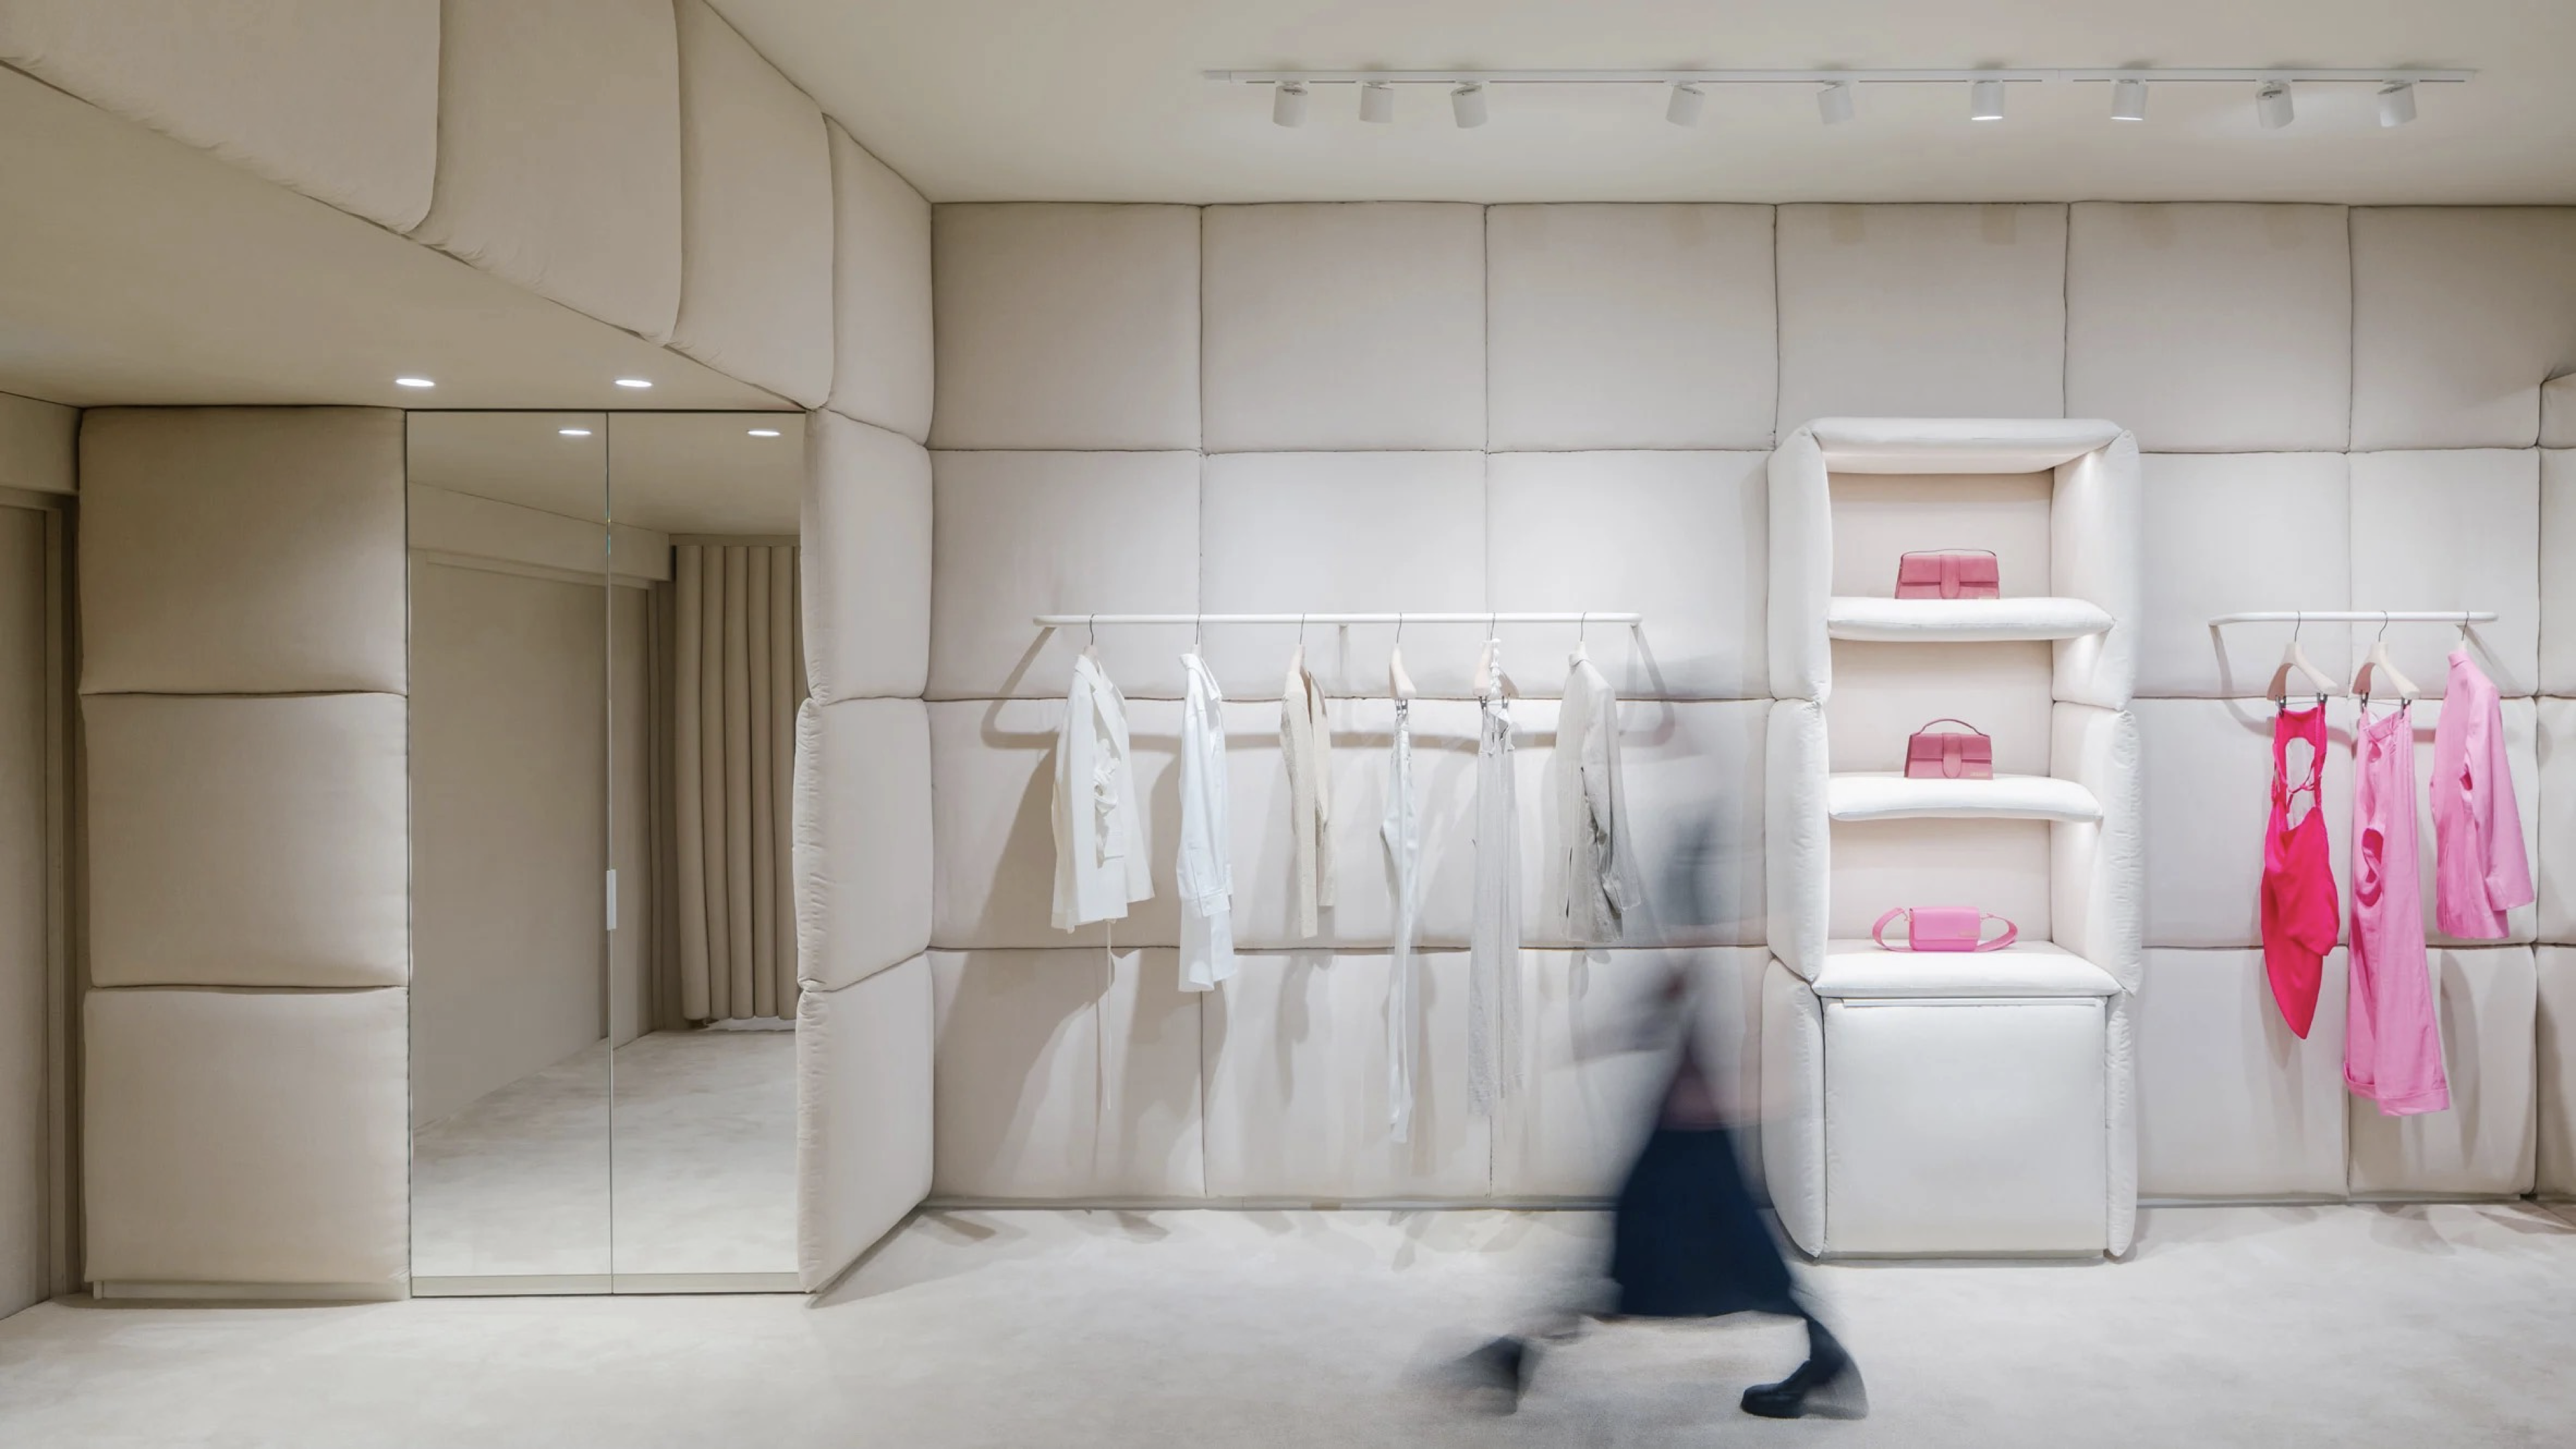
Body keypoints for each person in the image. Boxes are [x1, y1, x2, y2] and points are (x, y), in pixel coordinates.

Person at [1456, 965, 1866, 1421]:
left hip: (1693, 1113)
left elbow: (1701, 972)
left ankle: (1518, 1351)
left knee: (1682, 1247)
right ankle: (1826, 1355)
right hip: (1690, 1102)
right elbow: (1687, 978)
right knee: (1692, 1246)